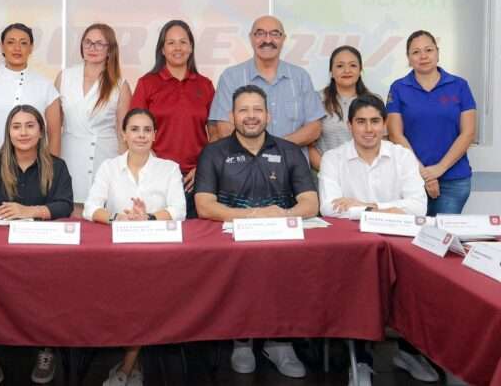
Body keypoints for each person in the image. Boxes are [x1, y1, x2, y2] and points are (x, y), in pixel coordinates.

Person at [195, 85, 318, 379]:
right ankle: (242, 340)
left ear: (268, 115)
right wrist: (253, 216)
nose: (251, 116)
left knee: (288, 276)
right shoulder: (213, 152)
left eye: (257, 110)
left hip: (281, 242)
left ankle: (280, 343)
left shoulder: (289, 151)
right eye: (243, 110)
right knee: (239, 276)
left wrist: (283, 216)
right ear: (232, 116)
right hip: (232, 245)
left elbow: (311, 203)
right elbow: (204, 205)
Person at [318, 94, 427, 386]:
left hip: (399, 241)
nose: (369, 129)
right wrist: (389, 208)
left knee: (419, 283)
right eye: (361, 122)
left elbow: (419, 207)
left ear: (385, 124)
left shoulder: (402, 156)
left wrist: (364, 206)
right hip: (354, 244)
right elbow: (329, 208)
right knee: (359, 288)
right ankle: (361, 359)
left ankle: (408, 352)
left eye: (375, 121)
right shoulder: (333, 158)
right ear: (350, 125)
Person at [0, 105, 72, 385]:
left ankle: (46, 348)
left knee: (57, 286)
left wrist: (29, 211)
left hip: (42, 254)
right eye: (16, 126)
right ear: (8, 132)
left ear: (41, 131)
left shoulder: (57, 166)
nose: (23, 132)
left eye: (30, 126)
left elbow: (65, 205)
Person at [83, 108, 185, 386]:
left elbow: (179, 210)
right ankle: (134, 362)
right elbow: (90, 208)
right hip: (117, 254)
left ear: (155, 135)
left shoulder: (169, 168)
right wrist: (117, 217)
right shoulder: (109, 167)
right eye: (135, 129)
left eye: (147, 130)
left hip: (158, 254)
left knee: (145, 298)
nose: (141, 135)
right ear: (124, 134)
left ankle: (127, 368)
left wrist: (148, 218)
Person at [130, 20, 215, 218]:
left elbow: (216, 134)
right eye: (171, 43)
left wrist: (203, 168)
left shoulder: (205, 85)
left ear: (191, 47)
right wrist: (157, 167)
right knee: (156, 231)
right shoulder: (147, 83)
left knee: (195, 233)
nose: (178, 47)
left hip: (195, 179)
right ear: (162, 49)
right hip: (155, 175)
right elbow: (134, 130)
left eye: (183, 42)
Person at [388, 30, 476, 217]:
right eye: (416, 52)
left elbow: (468, 133)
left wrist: (439, 169)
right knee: (408, 234)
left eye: (428, 50)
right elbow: (395, 134)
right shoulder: (398, 88)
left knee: (442, 235)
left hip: (453, 181)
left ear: (437, 52)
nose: (423, 56)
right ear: (408, 58)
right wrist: (423, 173)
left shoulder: (459, 85)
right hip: (410, 179)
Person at [208, 15, 324, 152]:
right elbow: (224, 128)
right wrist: (260, 152)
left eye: (275, 34)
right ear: (251, 38)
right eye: (260, 33)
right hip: (245, 163)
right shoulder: (231, 77)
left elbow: (314, 128)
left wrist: (274, 147)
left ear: (283, 38)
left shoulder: (300, 77)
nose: (267, 40)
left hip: (292, 163)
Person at [57, 23, 131, 215]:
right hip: (70, 156)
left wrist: (125, 173)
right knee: (70, 214)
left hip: (106, 158)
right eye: (88, 42)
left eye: (99, 43)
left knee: (102, 214)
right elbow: (55, 126)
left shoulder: (120, 85)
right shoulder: (65, 77)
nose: (92, 48)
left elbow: (123, 134)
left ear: (110, 49)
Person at [0, 23, 61, 174]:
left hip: (36, 173)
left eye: (23, 43)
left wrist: (50, 173)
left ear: (31, 48)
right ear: (2, 47)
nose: (17, 48)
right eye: (11, 42)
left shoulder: (46, 87)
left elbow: (54, 135)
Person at [309, 45, 374, 171]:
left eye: (353, 65)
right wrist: (331, 172)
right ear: (331, 72)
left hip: (365, 174)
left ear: (360, 70)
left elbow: (381, 142)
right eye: (340, 66)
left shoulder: (373, 102)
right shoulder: (317, 99)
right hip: (327, 174)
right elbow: (309, 146)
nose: (347, 70)